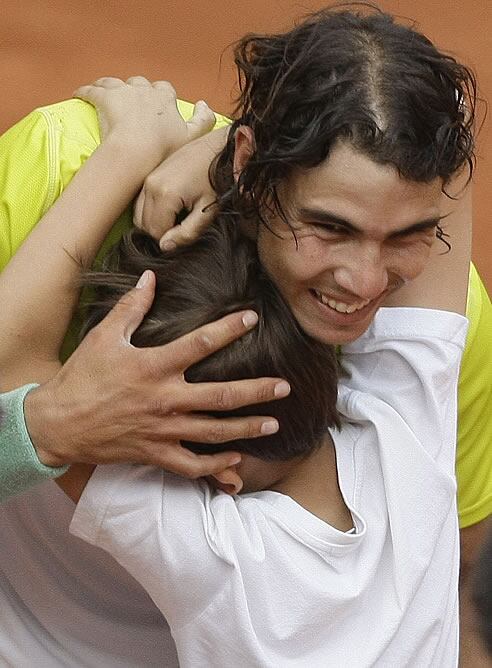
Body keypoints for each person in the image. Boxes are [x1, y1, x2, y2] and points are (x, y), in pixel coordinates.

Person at [0, 3, 488, 664]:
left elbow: (10, 361)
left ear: (216, 473)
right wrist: (229, 161)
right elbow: (449, 137)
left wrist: (135, 151)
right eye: (330, 226)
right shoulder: (410, 441)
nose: (367, 280)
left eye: (406, 234)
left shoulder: (214, 559)